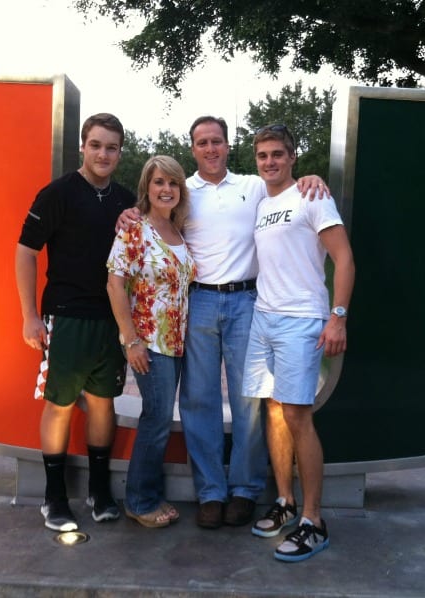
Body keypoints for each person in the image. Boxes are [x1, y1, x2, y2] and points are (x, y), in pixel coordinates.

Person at [118, 116, 329, 529]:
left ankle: (245, 490)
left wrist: (313, 176)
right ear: (193, 149)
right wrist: (128, 213)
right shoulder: (183, 193)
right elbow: (151, 216)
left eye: (217, 141)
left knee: (251, 400)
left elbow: (288, 184)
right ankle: (211, 491)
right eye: (202, 142)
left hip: (247, 301)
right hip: (198, 302)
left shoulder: (252, 187)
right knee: (199, 400)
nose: (210, 148)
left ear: (228, 146)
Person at [15, 113, 136, 531]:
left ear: (120, 152)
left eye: (112, 147)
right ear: (82, 147)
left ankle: (99, 491)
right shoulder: (57, 194)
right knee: (60, 404)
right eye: (96, 145)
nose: (103, 154)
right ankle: (54, 498)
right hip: (65, 316)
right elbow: (25, 252)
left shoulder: (125, 201)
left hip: (109, 319)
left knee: (104, 404)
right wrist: (30, 316)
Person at [244, 124, 354, 563]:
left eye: (277, 154)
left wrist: (338, 317)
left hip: (302, 320)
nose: (270, 161)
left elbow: (344, 258)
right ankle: (286, 502)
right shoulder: (260, 201)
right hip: (262, 319)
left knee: (297, 414)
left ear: (292, 158)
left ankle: (314, 521)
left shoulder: (312, 195)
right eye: (263, 155)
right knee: (272, 409)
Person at [106, 155, 196, 528]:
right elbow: (114, 283)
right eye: (159, 182)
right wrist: (131, 340)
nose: (166, 189)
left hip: (177, 342)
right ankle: (140, 501)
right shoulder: (134, 230)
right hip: (149, 342)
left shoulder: (179, 231)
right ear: (147, 187)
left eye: (173, 183)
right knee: (156, 419)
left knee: (159, 418)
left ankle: (149, 493)